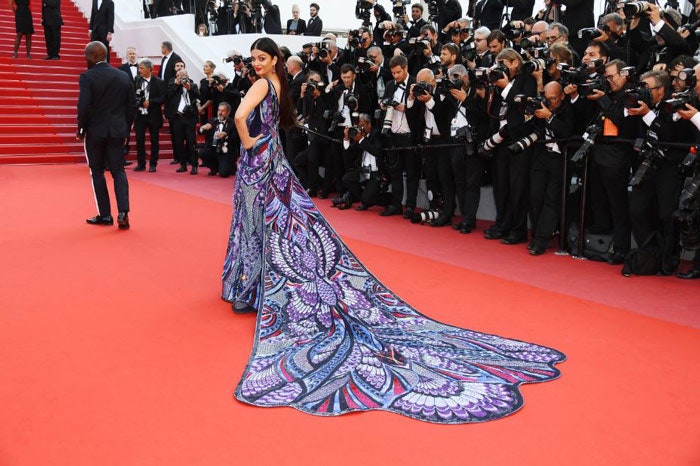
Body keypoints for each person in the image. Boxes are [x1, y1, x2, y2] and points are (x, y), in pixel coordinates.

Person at [222, 37, 564, 424]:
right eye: (253, 59)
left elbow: (239, 116)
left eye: (261, 58)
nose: (256, 64)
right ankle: (256, 286)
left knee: (257, 223)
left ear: (274, 59)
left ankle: (249, 288)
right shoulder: (280, 83)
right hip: (276, 159)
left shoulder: (261, 84)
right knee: (280, 224)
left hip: (259, 159)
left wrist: (249, 141)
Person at [77, 41, 135, 230]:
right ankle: (123, 212)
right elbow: (131, 106)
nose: (85, 59)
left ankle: (105, 215)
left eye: (87, 56)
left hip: (95, 131)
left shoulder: (87, 77)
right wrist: (125, 130)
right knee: (119, 171)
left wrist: (81, 129)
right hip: (117, 131)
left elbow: (84, 106)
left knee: (97, 172)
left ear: (94, 56)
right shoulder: (123, 76)